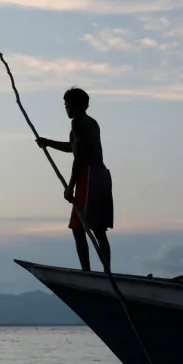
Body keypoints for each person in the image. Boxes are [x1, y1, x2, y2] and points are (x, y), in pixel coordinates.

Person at [36, 87, 114, 272]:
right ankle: (106, 272)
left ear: (74, 105)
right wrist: (48, 143)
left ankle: (88, 272)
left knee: (80, 228)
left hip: (89, 177)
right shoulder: (92, 123)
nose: (65, 108)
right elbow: (74, 147)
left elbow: (79, 158)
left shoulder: (78, 123)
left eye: (66, 104)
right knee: (97, 229)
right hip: (101, 175)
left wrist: (70, 186)